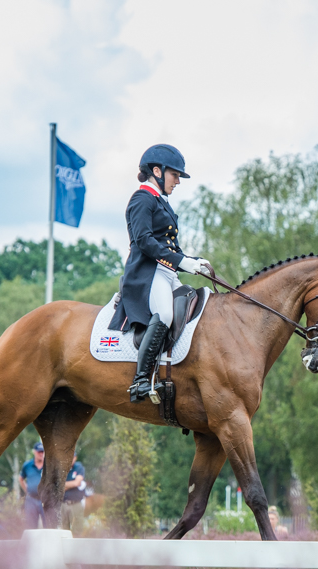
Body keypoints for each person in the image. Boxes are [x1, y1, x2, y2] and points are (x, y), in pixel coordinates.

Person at [108, 143, 215, 402]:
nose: (178, 181)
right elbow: (144, 241)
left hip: (166, 273)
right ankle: (140, 380)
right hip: (147, 273)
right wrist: (182, 262)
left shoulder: (162, 203)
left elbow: (170, 246)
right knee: (165, 314)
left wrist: (192, 261)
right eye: (174, 175)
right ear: (157, 171)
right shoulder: (142, 199)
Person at [20, 442, 46, 529]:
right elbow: (21, 479)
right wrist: (27, 490)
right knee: (30, 526)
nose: (41, 454)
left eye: (43, 452)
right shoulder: (27, 465)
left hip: (46, 500)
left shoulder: (49, 465)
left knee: (48, 525)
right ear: (34, 452)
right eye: (39, 452)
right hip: (31, 500)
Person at [62, 452, 86, 535]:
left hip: (76, 504)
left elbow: (77, 483)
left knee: (77, 531)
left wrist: (63, 484)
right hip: (63, 504)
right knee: (63, 531)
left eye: (72, 457)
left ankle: (76, 548)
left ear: (75, 458)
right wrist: (71, 484)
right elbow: (57, 487)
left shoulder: (79, 467)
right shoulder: (62, 469)